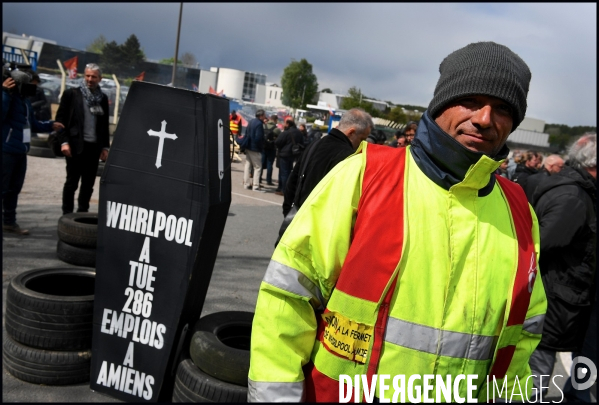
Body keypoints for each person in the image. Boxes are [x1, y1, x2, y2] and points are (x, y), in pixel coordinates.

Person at [248, 41, 546, 402]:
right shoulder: (364, 176)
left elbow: (521, 339)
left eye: (501, 108)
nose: (484, 118)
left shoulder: (519, 213)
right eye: (471, 100)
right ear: (440, 104)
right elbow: (287, 299)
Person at [528, 134, 596, 402]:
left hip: (558, 301)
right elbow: (539, 245)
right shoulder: (574, 197)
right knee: (535, 379)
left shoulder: (576, 190)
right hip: (553, 305)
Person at [3, 67, 64, 235]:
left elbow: (34, 124)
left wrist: (51, 125)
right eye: (28, 85)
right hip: (6, 151)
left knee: (14, 189)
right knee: (3, 188)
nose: (32, 88)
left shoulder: (26, 101)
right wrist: (5, 93)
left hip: (21, 152)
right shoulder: (7, 97)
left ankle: (9, 222)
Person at [282, 108, 373, 217]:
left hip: (297, 218)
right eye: (362, 139)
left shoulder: (315, 144)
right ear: (351, 132)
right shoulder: (349, 157)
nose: (362, 144)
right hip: (320, 224)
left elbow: (292, 182)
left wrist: (288, 213)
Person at [55, 63, 110, 215]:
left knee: (88, 183)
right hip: (74, 146)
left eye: (93, 76)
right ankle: (67, 214)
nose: (90, 79)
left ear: (100, 79)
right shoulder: (72, 94)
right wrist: (64, 142)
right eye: (87, 75)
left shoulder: (103, 98)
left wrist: (105, 147)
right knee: (72, 182)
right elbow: (60, 121)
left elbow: (104, 125)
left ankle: (82, 213)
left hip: (93, 147)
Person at [274, 119, 303, 196]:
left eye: (284, 123)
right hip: (293, 154)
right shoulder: (298, 132)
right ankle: (283, 188)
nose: (283, 124)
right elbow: (302, 142)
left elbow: (277, 142)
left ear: (288, 124)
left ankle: (283, 190)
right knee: (289, 172)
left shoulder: (286, 132)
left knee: (284, 173)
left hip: (284, 154)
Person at [243, 109, 266, 192]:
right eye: (264, 115)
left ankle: (246, 183)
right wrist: (261, 147)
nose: (265, 117)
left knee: (247, 165)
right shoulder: (259, 124)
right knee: (258, 167)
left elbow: (246, 133)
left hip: (248, 146)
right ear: (261, 115)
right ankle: (255, 185)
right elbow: (258, 138)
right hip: (255, 148)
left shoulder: (251, 121)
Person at [260, 115, 280, 186]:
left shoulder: (263, 126)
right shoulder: (276, 129)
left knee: (261, 163)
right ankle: (268, 180)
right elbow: (279, 138)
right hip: (272, 148)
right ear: (275, 120)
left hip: (263, 147)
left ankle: (259, 178)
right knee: (269, 164)